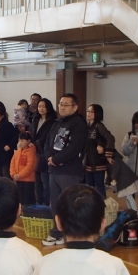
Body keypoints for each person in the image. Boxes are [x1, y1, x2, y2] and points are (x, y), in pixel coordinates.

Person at [42, 94, 88, 247]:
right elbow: (47, 143)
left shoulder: (79, 124)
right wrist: (49, 157)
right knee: (55, 204)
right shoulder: (57, 123)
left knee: (69, 204)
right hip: (53, 170)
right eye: (60, 104)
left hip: (69, 171)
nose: (61, 107)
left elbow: (74, 148)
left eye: (65, 104)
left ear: (75, 107)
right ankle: (56, 232)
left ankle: (70, 233)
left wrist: (57, 159)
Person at [84, 104, 115, 198]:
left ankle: (102, 205)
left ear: (97, 113)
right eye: (88, 111)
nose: (89, 113)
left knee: (99, 186)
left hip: (98, 162)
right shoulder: (86, 126)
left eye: (92, 112)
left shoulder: (99, 126)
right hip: (88, 162)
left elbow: (110, 138)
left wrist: (107, 151)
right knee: (88, 187)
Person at [30, 98, 57, 206]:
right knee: (37, 180)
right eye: (39, 106)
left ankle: (46, 203)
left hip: (45, 152)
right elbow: (32, 133)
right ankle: (39, 201)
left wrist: (36, 144)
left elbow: (48, 137)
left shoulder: (53, 121)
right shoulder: (35, 119)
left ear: (48, 108)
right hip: (34, 151)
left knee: (45, 180)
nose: (41, 108)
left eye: (43, 106)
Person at [10, 132, 37, 206]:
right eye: (19, 140)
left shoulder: (31, 152)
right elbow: (12, 163)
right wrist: (13, 174)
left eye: (22, 140)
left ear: (28, 141)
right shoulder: (18, 152)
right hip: (18, 180)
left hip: (28, 181)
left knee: (28, 200)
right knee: (19, 199)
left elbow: (30, 167)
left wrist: (20, 175)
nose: (20, 142)